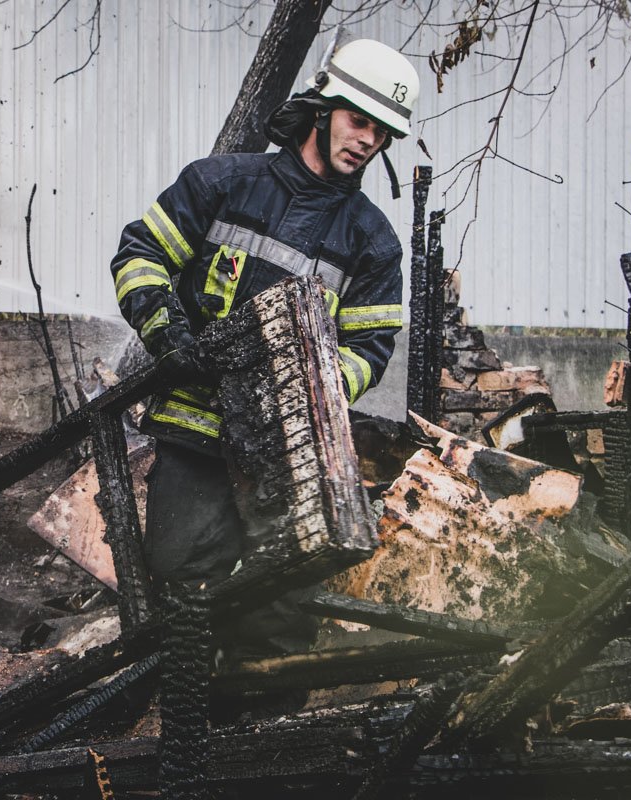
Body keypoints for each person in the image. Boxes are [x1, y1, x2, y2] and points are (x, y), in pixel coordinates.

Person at [109, 39, 420, 654]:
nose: (367, 140)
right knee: (182, 593)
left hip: (291, 457)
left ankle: (255, 740)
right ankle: (186, 738)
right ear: (323, 108)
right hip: (193, 431)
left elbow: (370, 349)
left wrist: (308, 388)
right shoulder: (221, 184)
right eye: (359, 120)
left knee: (279, 613)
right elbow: (140, 254)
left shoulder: (373, 243)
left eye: (381, 132)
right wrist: (167, 333)